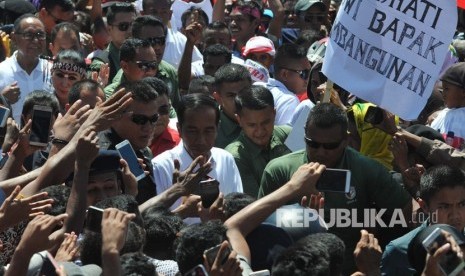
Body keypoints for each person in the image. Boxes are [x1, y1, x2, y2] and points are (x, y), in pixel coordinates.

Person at [258, 103, 412, 274]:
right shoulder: (279, 171)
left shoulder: (367, 169)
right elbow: (261, 228)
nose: (321, 152)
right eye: (313, 144)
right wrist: (300, 218)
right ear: (304, 133)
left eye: (330, 146)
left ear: (346, 139)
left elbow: (407, 212)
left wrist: (373, 225)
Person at [152, 93, 243, 220]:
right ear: (179, 129)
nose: (201, 140)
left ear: (217, 129)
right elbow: (154, 224)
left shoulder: (226, 159)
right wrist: (182, 212)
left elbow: (238, 212)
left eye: (208, 131)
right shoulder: (161, 166)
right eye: (192, 131)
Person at [381, 165, 465, 275]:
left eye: (462, 204)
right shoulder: (398, 251)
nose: (455, 215)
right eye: (444, 206)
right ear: (424, 206)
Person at [99, 80, 159, 204]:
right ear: (116, 115)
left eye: (154, 119)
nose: (148, 127)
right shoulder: (101, 155)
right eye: (139, 119)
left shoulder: (142, 149)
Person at [225, 86, 291, 197]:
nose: (260, 131)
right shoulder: (236, 157)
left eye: (265, 122)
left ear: (274, 114)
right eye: (252, 125)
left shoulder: (288, 135)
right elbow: (255, 205)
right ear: (239, 120)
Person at [0, 14, 53, 123]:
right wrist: (2, 99)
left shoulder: (53, 72)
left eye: (40, 35)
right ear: (14, 38)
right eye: (29, 35)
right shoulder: (2, 71)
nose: (36, 40)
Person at [131, 15, 181, 110]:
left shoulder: (170, 72)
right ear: (135, 42)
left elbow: (176, 111)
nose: (157, 47)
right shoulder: (127, 74)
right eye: (150, 41)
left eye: (160, 40)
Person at [141, 0, 203, 70]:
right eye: (153, 12)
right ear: (143, 14)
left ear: (170, 15)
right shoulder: (134, 41)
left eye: (163, 12)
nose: (158, 17)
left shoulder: (183, 42)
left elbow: (199, 64)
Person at [256, 43, 308, 125]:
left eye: (310, 72)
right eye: (304, 73)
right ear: (285, 74)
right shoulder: (289, 100)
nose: (308, 79)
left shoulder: (257, 85)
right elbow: (283, 137)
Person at [89, 2, 136, 81]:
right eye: (123, 26)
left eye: (134, 25)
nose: (130, 30)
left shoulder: (147, 56)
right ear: (109, 29)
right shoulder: (101, 65)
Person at [213, 63, 252, 148]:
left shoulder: (266, 117)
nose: (239, 100)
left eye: (243, 93)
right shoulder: (211, 133)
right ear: (218, 98)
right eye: (231, 95)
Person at [430, 62, 465, 149]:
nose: (443, 94)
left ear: (463, 92)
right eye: (443, 89)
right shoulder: (441, 115)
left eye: (447, 89)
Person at [143, 77, 180, 157]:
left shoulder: (180, 144)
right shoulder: (125, 142)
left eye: (163, 110)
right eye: (152, 111)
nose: (158, 116)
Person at [51, 49, 87, 114]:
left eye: (72, 78)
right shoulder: (41, 104)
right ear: (51, 73)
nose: (64, 84)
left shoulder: (86, 108)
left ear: (82, 80)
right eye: (59, 75)